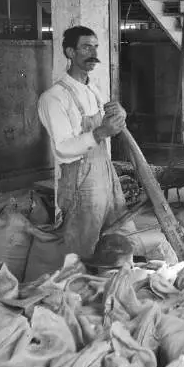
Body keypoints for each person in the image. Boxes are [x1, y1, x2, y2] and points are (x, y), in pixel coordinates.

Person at [37, 25, 129, 261]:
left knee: (120, 238)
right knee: (82, 248)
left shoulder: (94, 89)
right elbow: (63, 147)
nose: (93, 53)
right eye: (86, 47)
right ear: (70, 52)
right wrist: (100, 133)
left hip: (106, 176)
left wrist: (120, 116)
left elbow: (110, 126)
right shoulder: (54, 98)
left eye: (95, 46)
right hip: (80, 181)